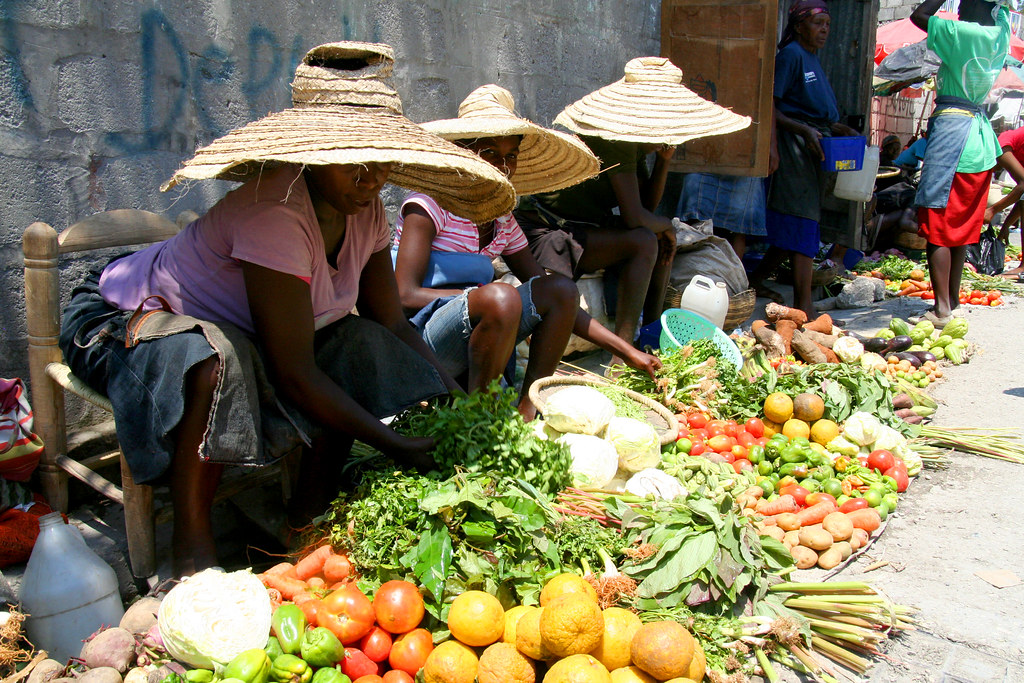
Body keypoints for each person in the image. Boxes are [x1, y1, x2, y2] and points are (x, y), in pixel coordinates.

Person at [57, 42, 517, 576]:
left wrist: (459, 400)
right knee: (214, 361)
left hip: (235, 329)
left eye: (382, 159)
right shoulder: (276, 210)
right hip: (117, 319)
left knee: (355, 345)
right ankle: (192, 548)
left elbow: (389, 322)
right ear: (315, 154)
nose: (369, 177)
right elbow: (294, 371)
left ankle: (304, 521)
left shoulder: (365, 213)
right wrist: (393, 442)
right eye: (352, 162)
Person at [393, 85, 661, 418]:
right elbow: (403, 295)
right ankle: (477, 420)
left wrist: (627, 350)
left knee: (561, 289)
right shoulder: (428, 206)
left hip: (472, 329)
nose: (502, 166)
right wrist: (478, 296)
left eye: (510, 155)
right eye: (489, 152)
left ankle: (528, 409)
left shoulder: (501, 217)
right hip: (420, 342)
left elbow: (550, 293)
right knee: (502, 296)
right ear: (462, 152)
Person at [514, 56, 750, 351]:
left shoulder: (635, 145)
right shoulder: (617, 140)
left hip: (582, 225)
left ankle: (652, 334)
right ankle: (625, 351)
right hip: (547, 230)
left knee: (660, 237)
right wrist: (666, 227)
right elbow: (635, 217)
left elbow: (645, 206)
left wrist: (663, 162)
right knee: (646, 240)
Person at [747, 0, 859, 316]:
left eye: (827, 24)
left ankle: (754, 279)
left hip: (813, 147)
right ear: (799, 26)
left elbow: (811, 109)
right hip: (794, 147)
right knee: (803, 219)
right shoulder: (792, 56)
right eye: (817, 23)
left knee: (792, 224)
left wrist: (837, 127)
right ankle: (804, 306)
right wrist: (802, 133)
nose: (824, 30)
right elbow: (770, 105)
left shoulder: (811, 58)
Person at [911, 0, 1012, 324]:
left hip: (953, 140)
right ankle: (951, 302)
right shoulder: (1000, 35)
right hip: (980, 143)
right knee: (961, 231)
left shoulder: (961, 31)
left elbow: (920, 15)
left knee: (938, 228)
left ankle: (940, 309)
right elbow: (1004, 11)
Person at [676, 173, 767, 261]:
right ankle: (690, 270)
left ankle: (733, 274)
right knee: (693, 223)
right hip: (705, 166)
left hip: (744, 172)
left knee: (740, 229)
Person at [983, 126, 1024, 268]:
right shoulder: (1017, 153)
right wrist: (1006, 226)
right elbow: (1022, 197)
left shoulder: (1002, 146)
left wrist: (992, 210)